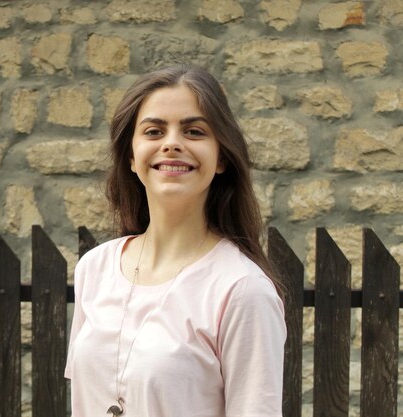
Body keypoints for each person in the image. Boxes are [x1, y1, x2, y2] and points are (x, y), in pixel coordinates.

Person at [64, 65, 286, 417]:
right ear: (131, 157)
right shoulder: (95, 268)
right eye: (153, 130)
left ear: (222, 158)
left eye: (194, 131)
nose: (171, 144)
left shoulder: (242, 289)